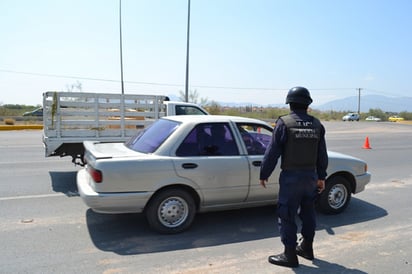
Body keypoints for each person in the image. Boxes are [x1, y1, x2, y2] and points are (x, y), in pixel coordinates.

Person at [259, 86, 328, 268]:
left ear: (290, 104)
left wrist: (264, 173)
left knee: (287, 214)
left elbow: (272, 152)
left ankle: (290, 255)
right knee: (308, 213)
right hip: (311, 177)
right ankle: (307, 247)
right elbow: (322, 155)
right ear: (308, 104)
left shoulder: (284, 123)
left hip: (291, 178)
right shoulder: (316, 124)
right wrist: (321, 177)